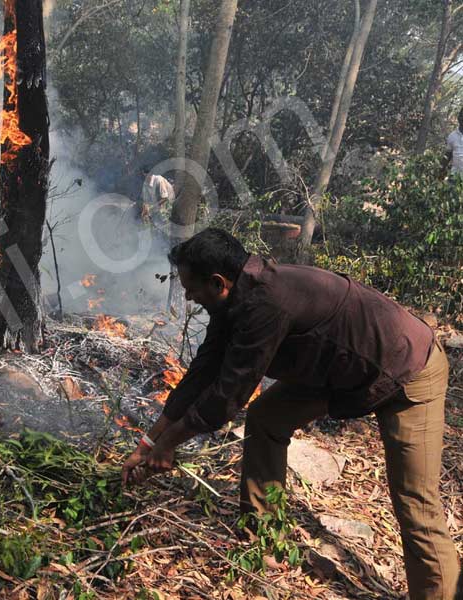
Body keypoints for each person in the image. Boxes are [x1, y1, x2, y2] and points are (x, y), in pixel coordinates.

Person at [121, 228, 460, 599]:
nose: (187, 296)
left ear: (218, 282)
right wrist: (149, 441)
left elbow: (227, 396)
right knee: (267, 417)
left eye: (191, 288)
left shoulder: (265, 305)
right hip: (342, 372)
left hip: (408, 371)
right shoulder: (235, 297)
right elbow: (202, 373)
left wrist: (168, 446)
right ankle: (263, 539)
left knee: (416, 504)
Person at [445, 107, 463, 176]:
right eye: (461, 115)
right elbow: (447, 156)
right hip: (455, 178)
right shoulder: (452, 136)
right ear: (458, 118)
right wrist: (439, 173)